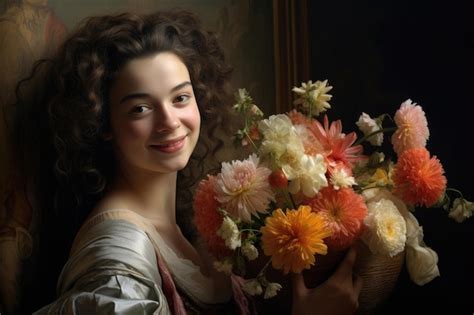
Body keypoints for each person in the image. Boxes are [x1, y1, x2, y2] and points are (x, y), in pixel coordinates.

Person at [6, 10, 362, 314]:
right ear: (103, 124)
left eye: (180, 98)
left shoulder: (186, 229)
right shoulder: (118, 252)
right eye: (140, 108)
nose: (169, 122)